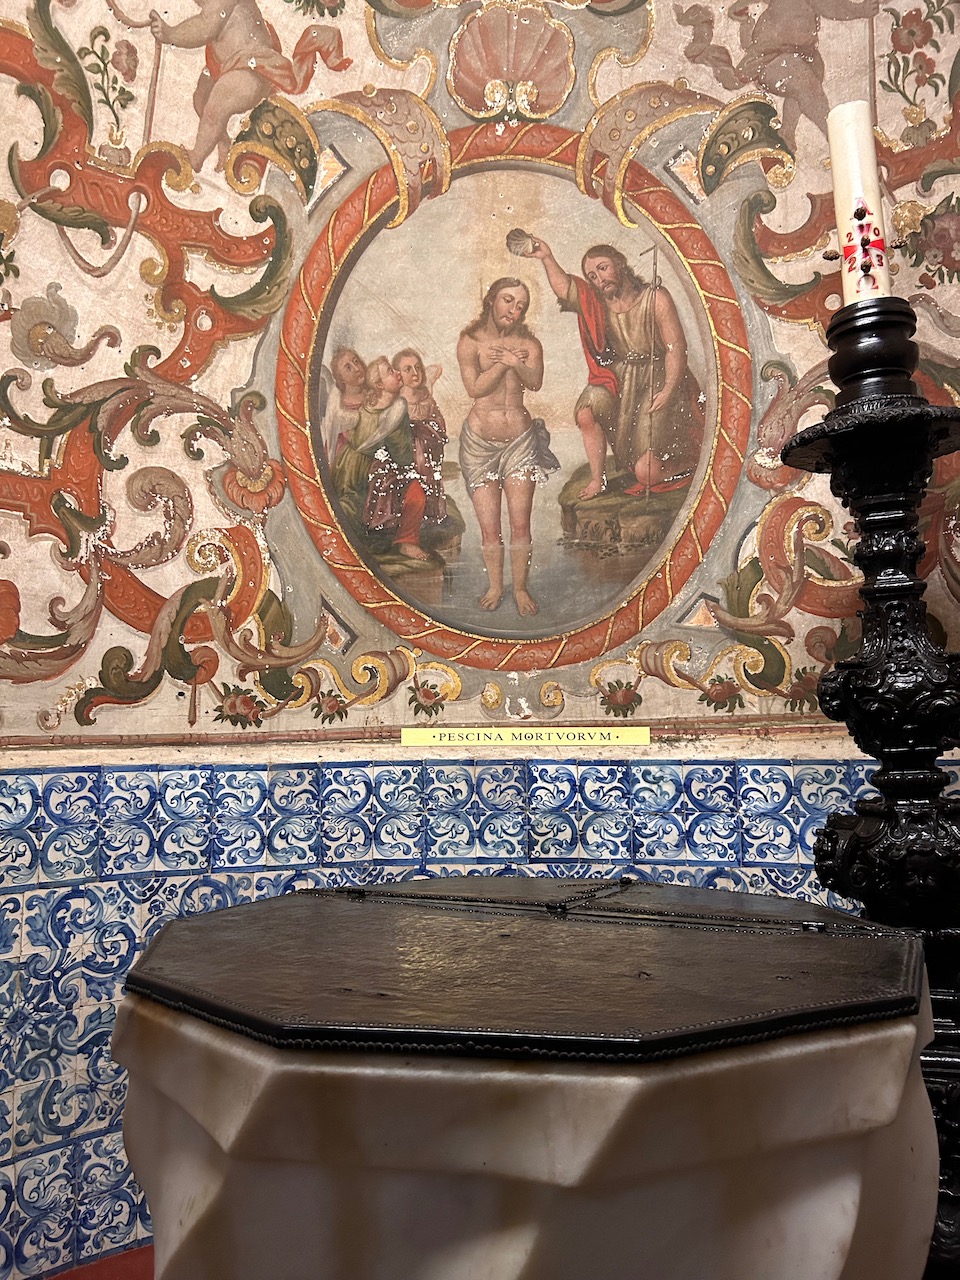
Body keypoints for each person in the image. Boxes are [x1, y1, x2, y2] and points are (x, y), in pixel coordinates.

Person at [527, 239, 703, 499]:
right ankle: (598, 480)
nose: (599, 279)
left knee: (648, 473)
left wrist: (668, 390)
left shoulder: (655, 298)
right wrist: (547, 257)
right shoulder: (598, 304)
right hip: (622, 376)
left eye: (603, 268)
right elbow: (566, 288)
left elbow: (675, 348)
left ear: (620, 264)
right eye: (592, 276)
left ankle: (692, 463)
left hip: (660, 375)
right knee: (587, 410)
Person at [456, 278, 558, 616]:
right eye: (508, 300)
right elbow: (474, 389)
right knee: (489, 528)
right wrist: (504, 362)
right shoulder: (470, 342)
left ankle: (520, 588)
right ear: (491, 300)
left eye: (520, 305)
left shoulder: (529, 344)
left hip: (519, 442)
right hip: (479, 444)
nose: (513, 310)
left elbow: (535, 382)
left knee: (520, 524)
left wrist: (516, 362)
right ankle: (496, 586)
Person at [149, 0, 350, 170]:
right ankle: (222, 141)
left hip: (250, 70)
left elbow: (204, 28)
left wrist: (170, 34)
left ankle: (196, 158)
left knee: (215, 108)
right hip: (230, 67)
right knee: (201, 100)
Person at [331, 357, 429, 561]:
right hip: (360, 472)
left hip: (369, 469)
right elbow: (401, 454)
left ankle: (403, 541)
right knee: (413, 494)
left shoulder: (380, 406)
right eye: (391, 371)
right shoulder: (389, 409)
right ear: (379, 384)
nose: (398, 373)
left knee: (413, 493)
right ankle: (402, 541)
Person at [392, 348, 448, 525]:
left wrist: (429, 430)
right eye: (408, 369)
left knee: (430, 482)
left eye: (418, 368)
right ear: (398, 374)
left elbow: (439, 422)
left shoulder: (426, 397)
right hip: (406, 454)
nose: (415, 373)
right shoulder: (395, 400)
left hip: (428, 452)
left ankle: (430, 516)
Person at [313, 347, 365, 466]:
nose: (357, 369)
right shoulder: (340, 406)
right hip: (347, 461)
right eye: (348, 368)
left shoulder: (372, 394)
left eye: (356, 361)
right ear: (341, 378)